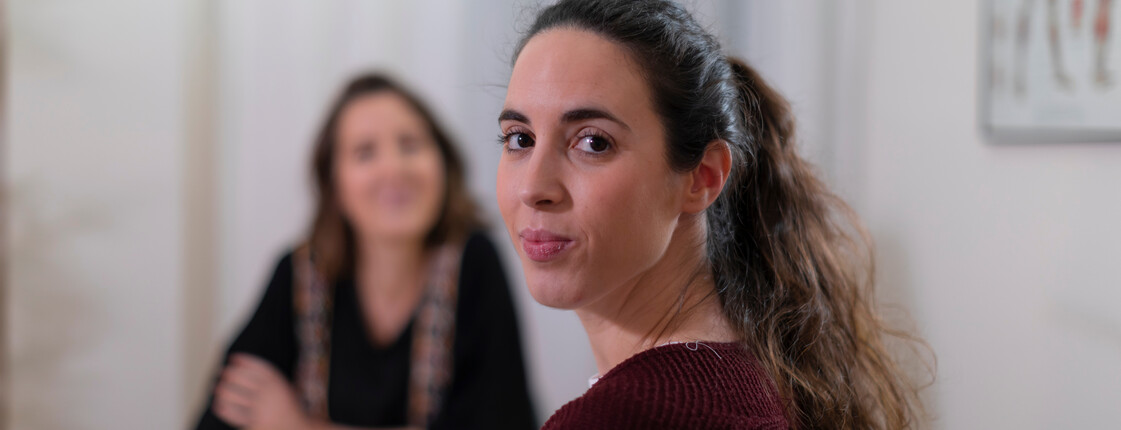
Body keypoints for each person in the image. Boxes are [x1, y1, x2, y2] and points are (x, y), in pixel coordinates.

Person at [495, 0, 928, 428]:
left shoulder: (622, 417)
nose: (534, 188)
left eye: (593, 142)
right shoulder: (759, 377)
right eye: (519, 139)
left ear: (702, 177)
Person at [194, 73, 537, 430]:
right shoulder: (297, 275)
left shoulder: (475, 264)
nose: (393, 168)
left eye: (410, 144)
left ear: (442, 163)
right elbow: (220, 417)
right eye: (365, 152)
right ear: (335, 185)